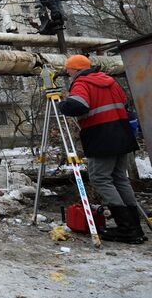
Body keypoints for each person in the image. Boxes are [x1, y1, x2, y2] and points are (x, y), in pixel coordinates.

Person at [57, 54, 144, 244]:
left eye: (69, 70)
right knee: (120, 178)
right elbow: (124, 104)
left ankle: (126, 228)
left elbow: (79, 105)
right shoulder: (109, 81)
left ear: (76, 69)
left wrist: (61, 104)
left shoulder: (82, 82)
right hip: (122, 134)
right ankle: (135, 226)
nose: (68, 73)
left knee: (100, 178)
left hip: (101, 137)